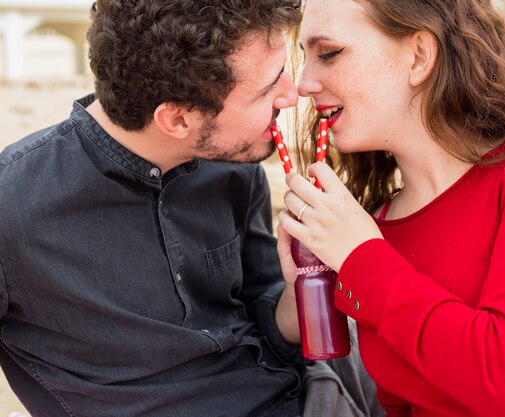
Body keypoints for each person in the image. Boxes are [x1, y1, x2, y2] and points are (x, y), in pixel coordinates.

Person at [0, 1, 383, 416]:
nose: (293, 94)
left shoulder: (234, 167)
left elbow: (271, 326)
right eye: (267, 87)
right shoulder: (13, 205)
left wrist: (297, 286)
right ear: (179, 119)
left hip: (313, 391)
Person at [277, 0, 505, 416]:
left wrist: (361, 258)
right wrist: (306, 280)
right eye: (304, 57)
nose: (303, 83)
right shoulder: (371, 229)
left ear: (419, 56)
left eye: (329, 54)